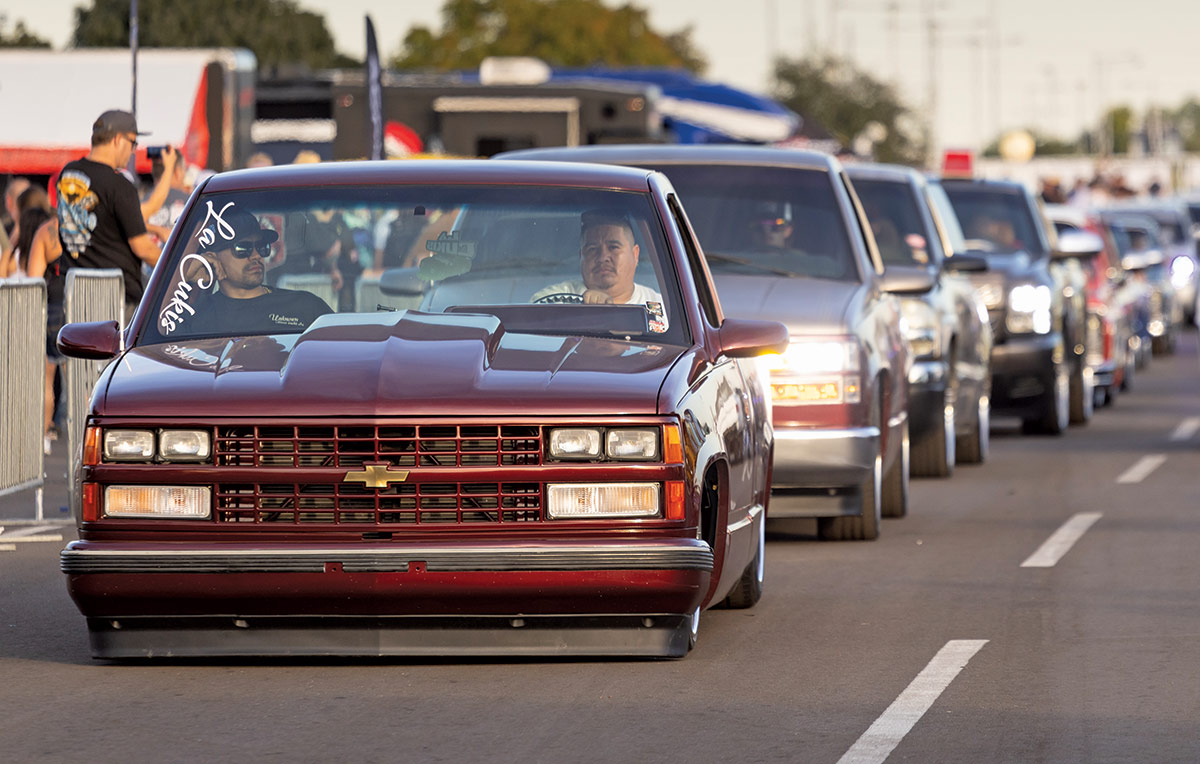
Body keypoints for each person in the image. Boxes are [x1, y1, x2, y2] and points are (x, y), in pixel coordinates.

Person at [52, 109, 162, 323]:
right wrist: (176, 264)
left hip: (77, 297)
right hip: (118, 302)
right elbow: (143, 247)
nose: (132, 151)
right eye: (133, 143)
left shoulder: (68, 173)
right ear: (118, 140)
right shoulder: (119, 185)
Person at [184, 207, 332, 335]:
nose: (256, 255)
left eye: (262, 246)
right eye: (243, 248)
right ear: (213, 257)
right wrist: (184, 277)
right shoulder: (196, 318)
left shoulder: (306, 306)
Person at [530, 210, 665, 324]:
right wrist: (582, 309)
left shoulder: (662, 309)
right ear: (581, 256)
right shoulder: (555, 299)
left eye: (613, 247)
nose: (602, 257)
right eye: (592, 249)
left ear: (635, 254)